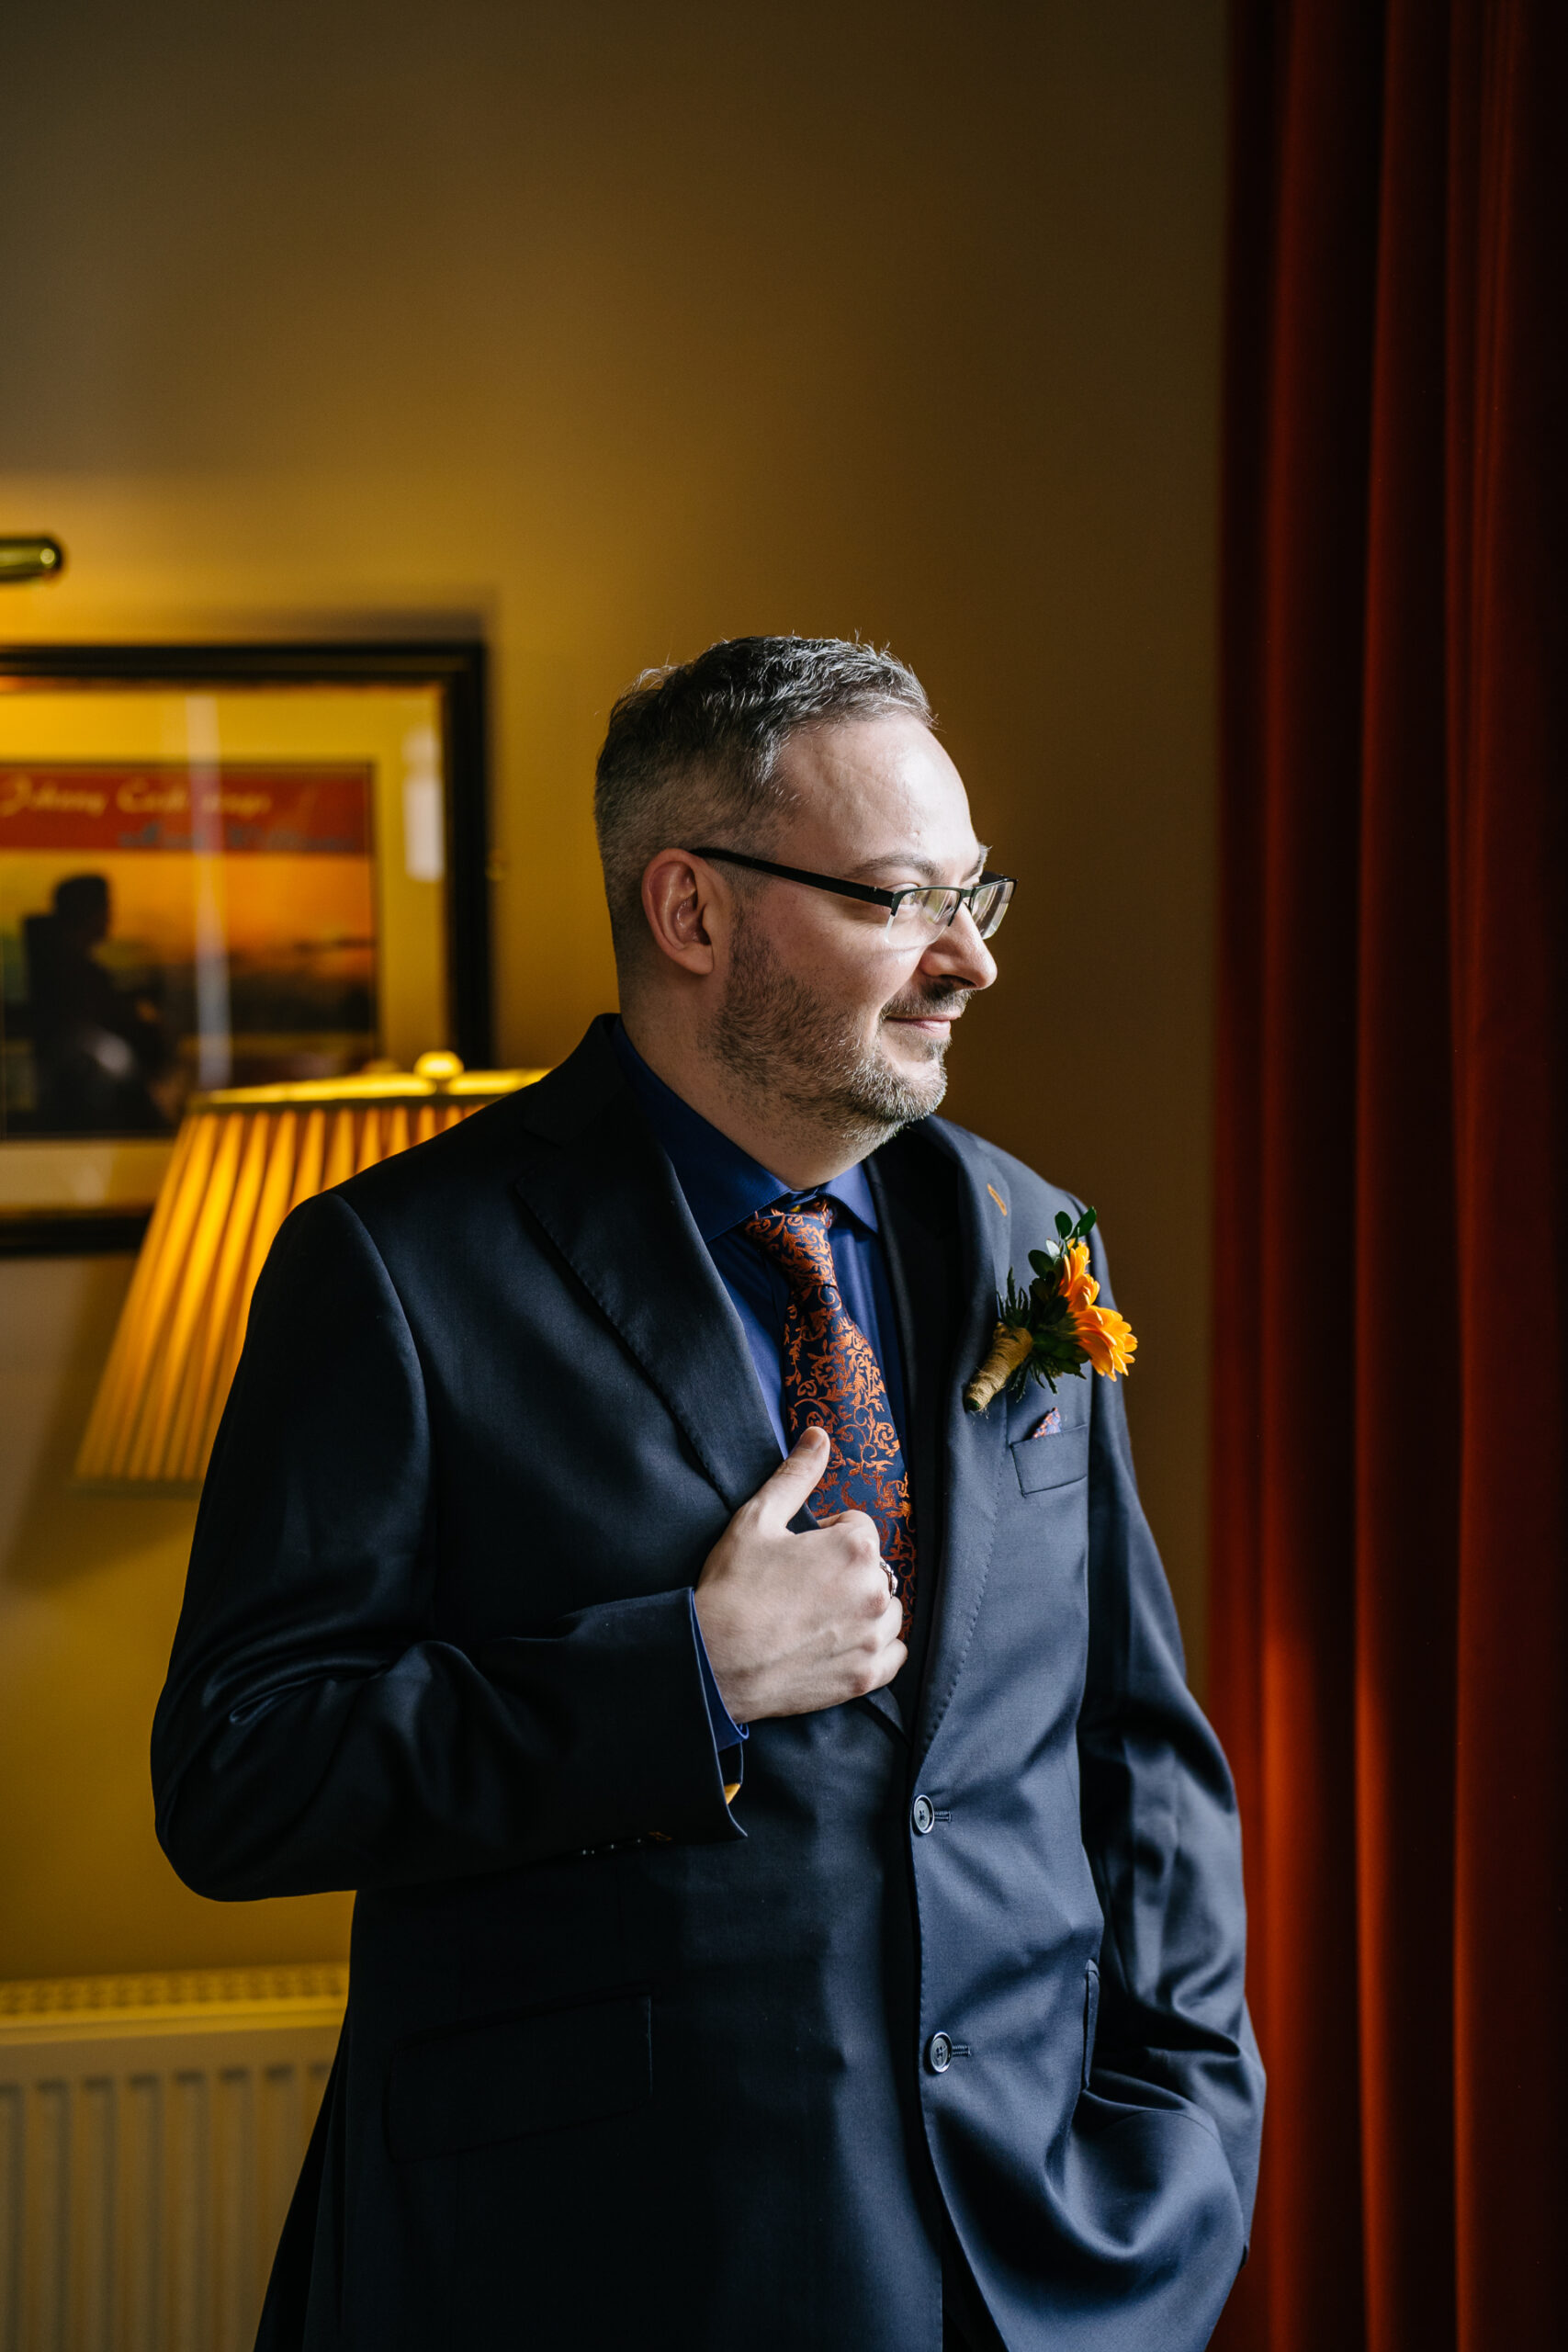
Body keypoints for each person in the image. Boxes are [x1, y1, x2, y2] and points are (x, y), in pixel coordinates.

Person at [152, 636, 1263, 2352]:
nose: (968, 960)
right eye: (901, 899)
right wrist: (685, 1677)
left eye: (980, 898)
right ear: (692, 912)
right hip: (594, 2269)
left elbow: (1140, 1753)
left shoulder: (1039, 1240)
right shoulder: (391, 1268)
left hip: (1043, 2266)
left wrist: (1187, 2146)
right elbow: (240, 1776)